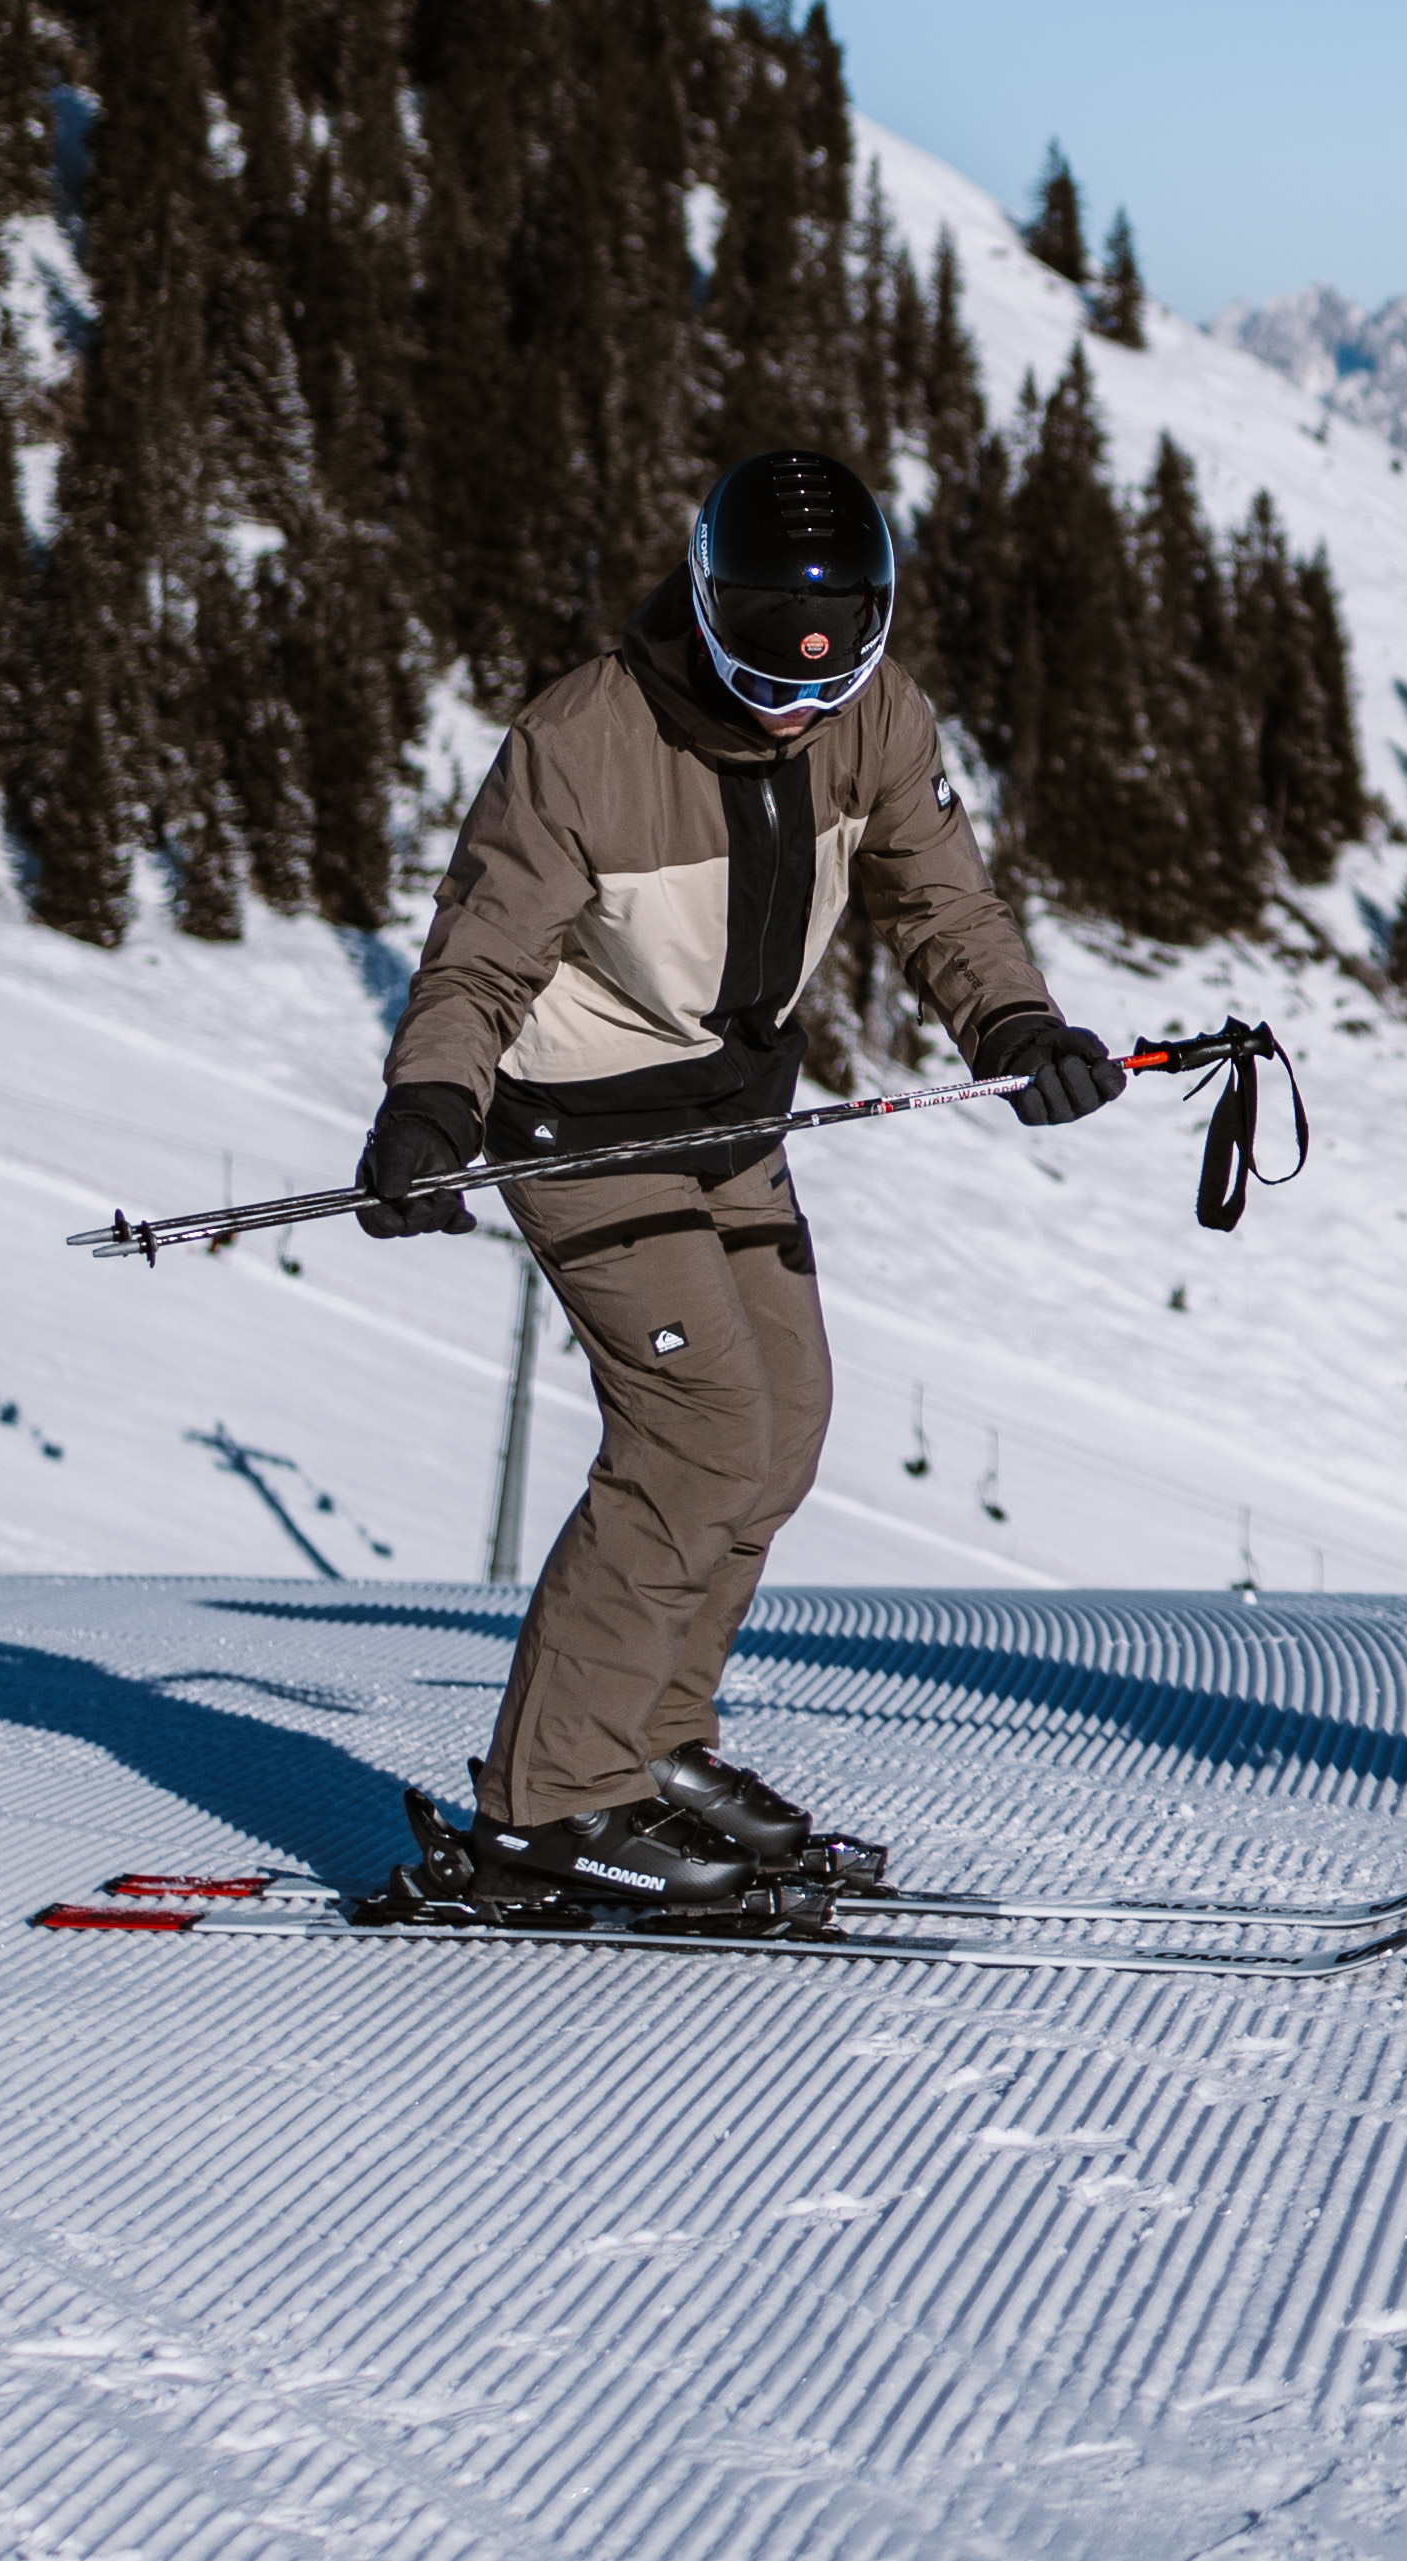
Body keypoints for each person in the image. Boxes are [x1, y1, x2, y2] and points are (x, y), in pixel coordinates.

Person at [354, 448, 1128, 1912]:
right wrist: (429, 1106)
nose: (800, 709)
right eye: (770, 682)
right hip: (581, 1123)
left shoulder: (873, 715)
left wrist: (1015, 1024)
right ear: (708, 612)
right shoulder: (583, 742)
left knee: (781, 1434)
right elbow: (480, 956)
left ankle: (651, 1741)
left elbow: (940, 892)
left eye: (827, 684)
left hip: (734, 1118)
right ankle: (549, 1804)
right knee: (698, 1437)